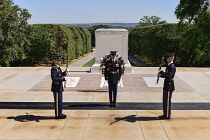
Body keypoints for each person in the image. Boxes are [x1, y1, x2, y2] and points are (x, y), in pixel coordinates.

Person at [158, 53, 176, 119]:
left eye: (168, 57)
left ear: (171, 58)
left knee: (167, 102)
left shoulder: (172, 67)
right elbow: (166, 75)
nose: (166, 59)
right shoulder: (168, 66)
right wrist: (161, 74)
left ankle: (167, 115)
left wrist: (162, 73)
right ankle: (165, 114)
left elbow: (169, 76)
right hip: (166, 86)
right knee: (165, 101)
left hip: (169, 86)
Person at [51, 55, 68, 119]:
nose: (60, 61)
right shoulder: (54, 68)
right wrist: (63, 79)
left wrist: (64, 73)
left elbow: (59, 75)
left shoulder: (57, 67)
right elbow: (54, 78)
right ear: (55, 61)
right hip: (56, 87)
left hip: (59, 87)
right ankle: (58, 114)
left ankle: (59, 113)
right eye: (59, 60)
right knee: (58, 102)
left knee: (60, 101)